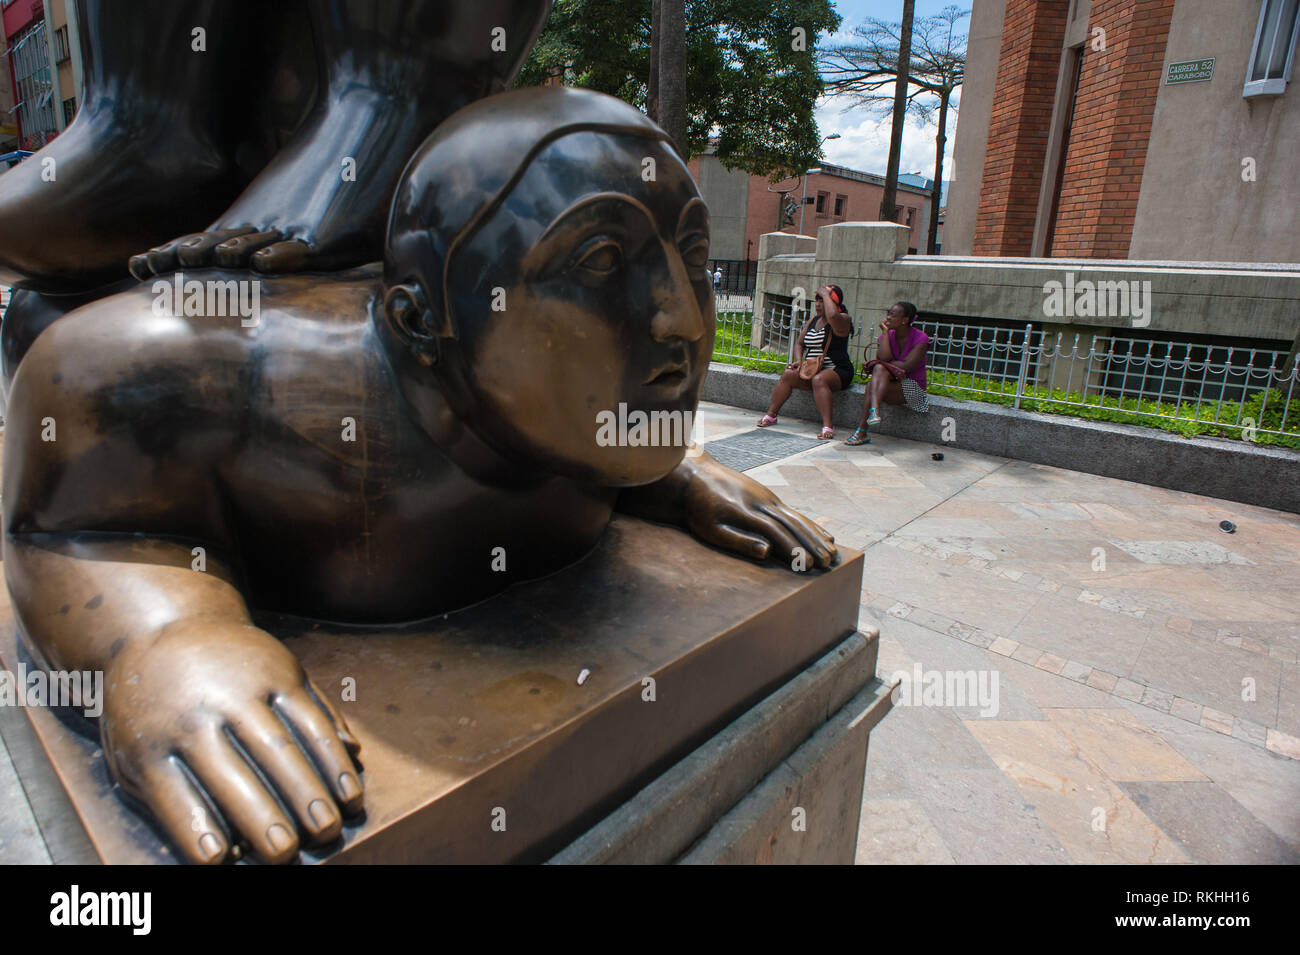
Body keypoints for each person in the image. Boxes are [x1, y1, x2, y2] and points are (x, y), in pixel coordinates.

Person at [2, 87, 837, 865]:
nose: (686, 321)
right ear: (416, 323)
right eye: (599, 259)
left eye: (689, 250)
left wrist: (666, 468)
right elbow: (71, 496)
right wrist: (161, 636)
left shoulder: (559, 405)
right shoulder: (216, 373)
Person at [757, 285, 855, 440]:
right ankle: (771, 415)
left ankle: (827, 426)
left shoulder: (843, 319)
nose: (817, 304)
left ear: (833, 303)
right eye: (816, 300)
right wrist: (798, 360)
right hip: (813, 368)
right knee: (788, 374)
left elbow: (834, 317)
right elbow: (799, 343)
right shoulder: (813, 320)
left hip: (837, 370)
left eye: (822, 300)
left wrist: (827, 295)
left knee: (819, 379)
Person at [844, 301, 930, 446]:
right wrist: (884, 333)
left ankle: (863, 429)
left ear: (905, 320)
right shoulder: (887, 336)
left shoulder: (921, 338)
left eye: (892, 315)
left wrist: (884, 365)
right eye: (888, 314)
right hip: (890, 386)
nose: (888, 318)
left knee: (876, 377)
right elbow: (883, 359)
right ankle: (873, 413)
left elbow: (906, 366)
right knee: (876, 375)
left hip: (913, 390)